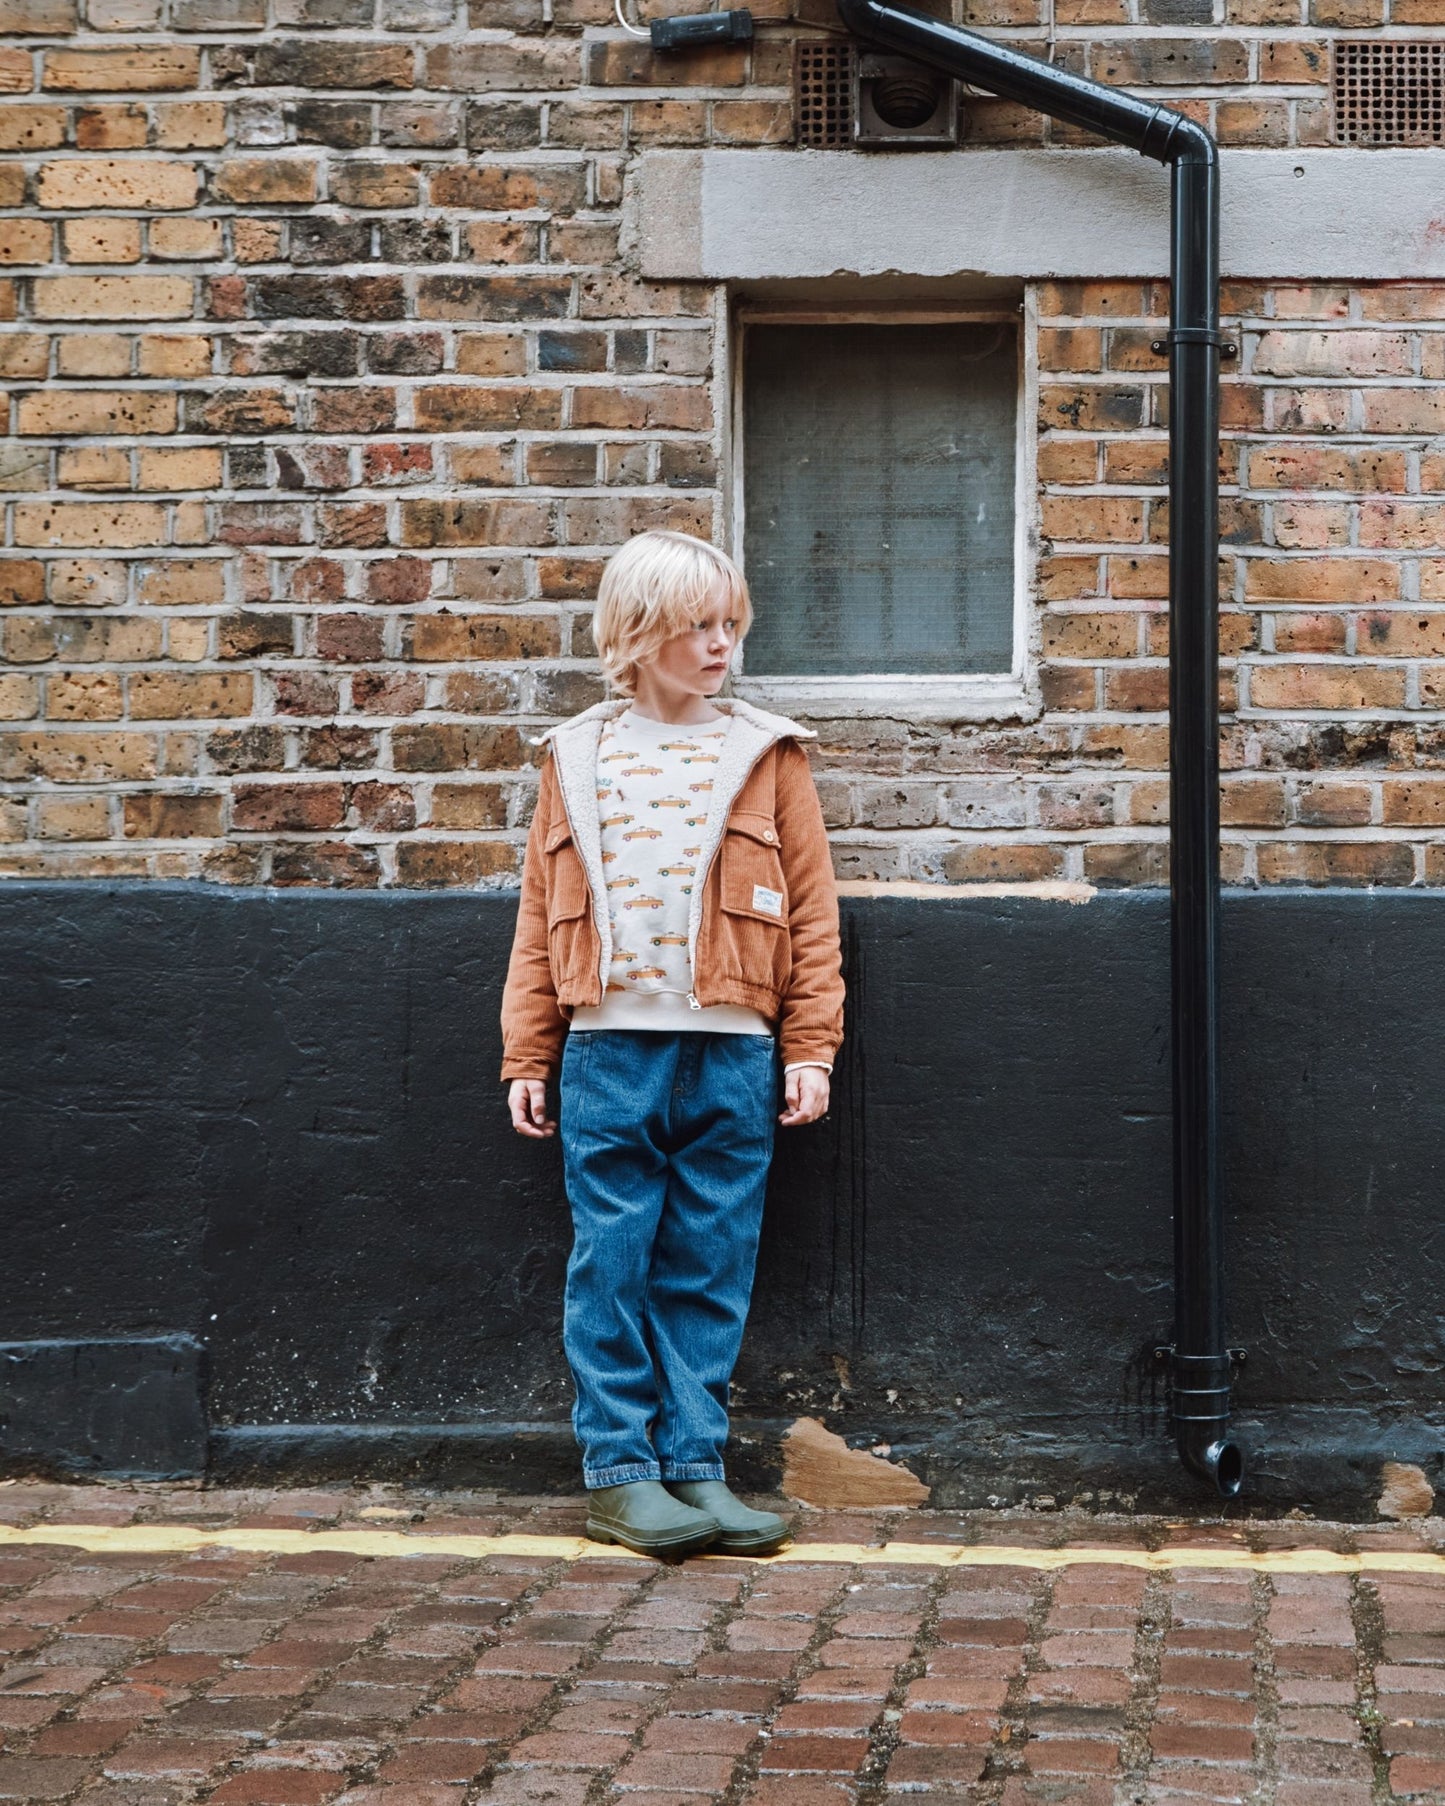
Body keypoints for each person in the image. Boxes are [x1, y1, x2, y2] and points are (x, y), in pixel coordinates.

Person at [499, 528, 845, 1560]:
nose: (719, 644)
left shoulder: (764, 756)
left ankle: (694, 1468)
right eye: (697, 625)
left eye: (729, 624)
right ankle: (620, 1474)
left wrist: (808, 1045)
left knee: (708, 1264)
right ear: (638, 632)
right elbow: (533, 916)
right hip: (607, 1052)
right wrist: (527, 1054)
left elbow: (814, 916)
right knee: (612, 1263)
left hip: (733, 1053)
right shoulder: (575, 755)